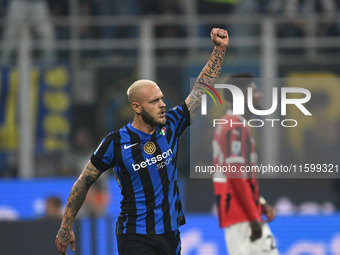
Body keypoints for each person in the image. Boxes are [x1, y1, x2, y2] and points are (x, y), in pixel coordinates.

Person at [55, 27, 229, 255]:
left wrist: (219, 50)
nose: (162, 104)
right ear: (136, 107)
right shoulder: (115, 142)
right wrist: (66, 225)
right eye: (154, 101)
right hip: (135, 235)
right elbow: (84, 181)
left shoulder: (172, 124)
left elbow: (200, 89)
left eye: (162, 99)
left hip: (171, 232)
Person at [212, 73, 279, 255]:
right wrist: (253, 217)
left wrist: (261, 203)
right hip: (241, 215)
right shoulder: (234, 127)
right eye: (255, 91)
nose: (261, 95)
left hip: (242, 212)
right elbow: (235, 176)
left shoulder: (229, 124)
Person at [1, 0, 55, 65]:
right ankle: (3, 63)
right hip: (18, 2)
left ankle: (51, 64)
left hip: (37, 2)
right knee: (11, 33)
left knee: (46, 33)